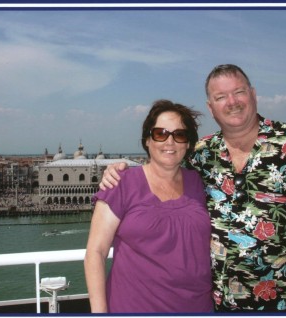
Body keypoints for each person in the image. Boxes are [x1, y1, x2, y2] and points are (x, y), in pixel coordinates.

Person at [99, 64, 286, 313]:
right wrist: (120, 170)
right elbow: (162, 162)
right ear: (211, 107)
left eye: (238, 92)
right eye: (220, 97)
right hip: (215, 303)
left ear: (253, 94)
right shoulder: (201, 153)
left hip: (282, 302)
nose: (232, 102)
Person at [84, 99, 213, 313]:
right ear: (147, 140)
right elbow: (95, 253)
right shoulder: (120, 183)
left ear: (188, 143)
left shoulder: (199, 182)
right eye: (160, 133)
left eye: (179, 135)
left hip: (198, 307)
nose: (169, 142)